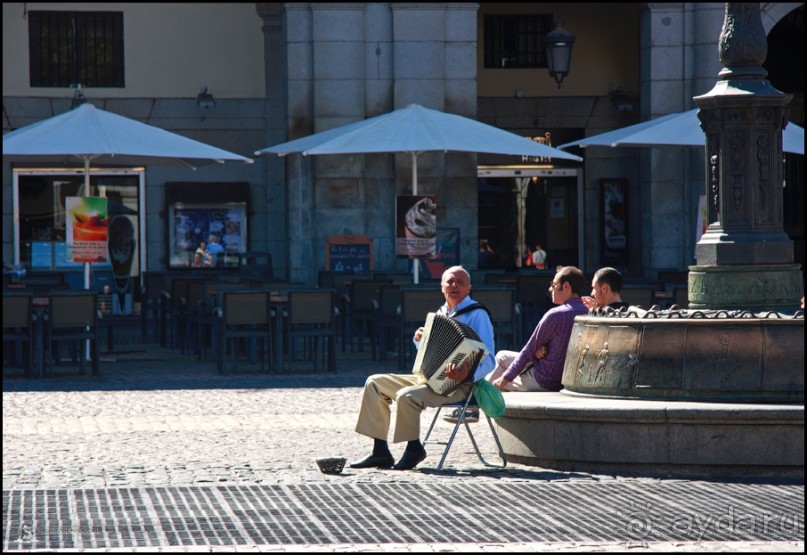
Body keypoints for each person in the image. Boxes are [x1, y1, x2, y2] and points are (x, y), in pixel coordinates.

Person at [350, 265, 496, 471]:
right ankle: (380, 451)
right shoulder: (441, 313)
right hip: (430, 379)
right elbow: (429, 354)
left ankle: (414, 448)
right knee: (374, 382)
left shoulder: (478, 314)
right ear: (442, 287)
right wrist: (420, 339)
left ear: (469, 288)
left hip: (459, 385)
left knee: (406, 396)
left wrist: (468, 374)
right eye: (450, 282)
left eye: (460, 282)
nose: (454, 286)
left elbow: (489, 360)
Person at [487, 266, 588, 392]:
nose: (550, 289)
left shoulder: (556, 315)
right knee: (503, 358)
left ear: (566, 286)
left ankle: (479, 400)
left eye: (554, 284)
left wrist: (505, 379)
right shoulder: (588, 313)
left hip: (544, 380)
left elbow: (529, 350)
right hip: (567, 379)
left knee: (499, 366)